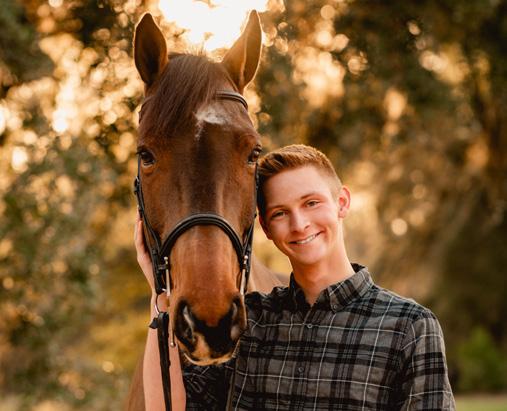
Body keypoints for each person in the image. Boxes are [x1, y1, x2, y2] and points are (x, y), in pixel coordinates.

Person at [135, 144, 455, 410]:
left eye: (311, 203)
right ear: (265, 227)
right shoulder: (249, 321)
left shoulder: (409, 327)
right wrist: (160, 295)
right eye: (280, 213)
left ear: (342, 203)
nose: (299, 224)